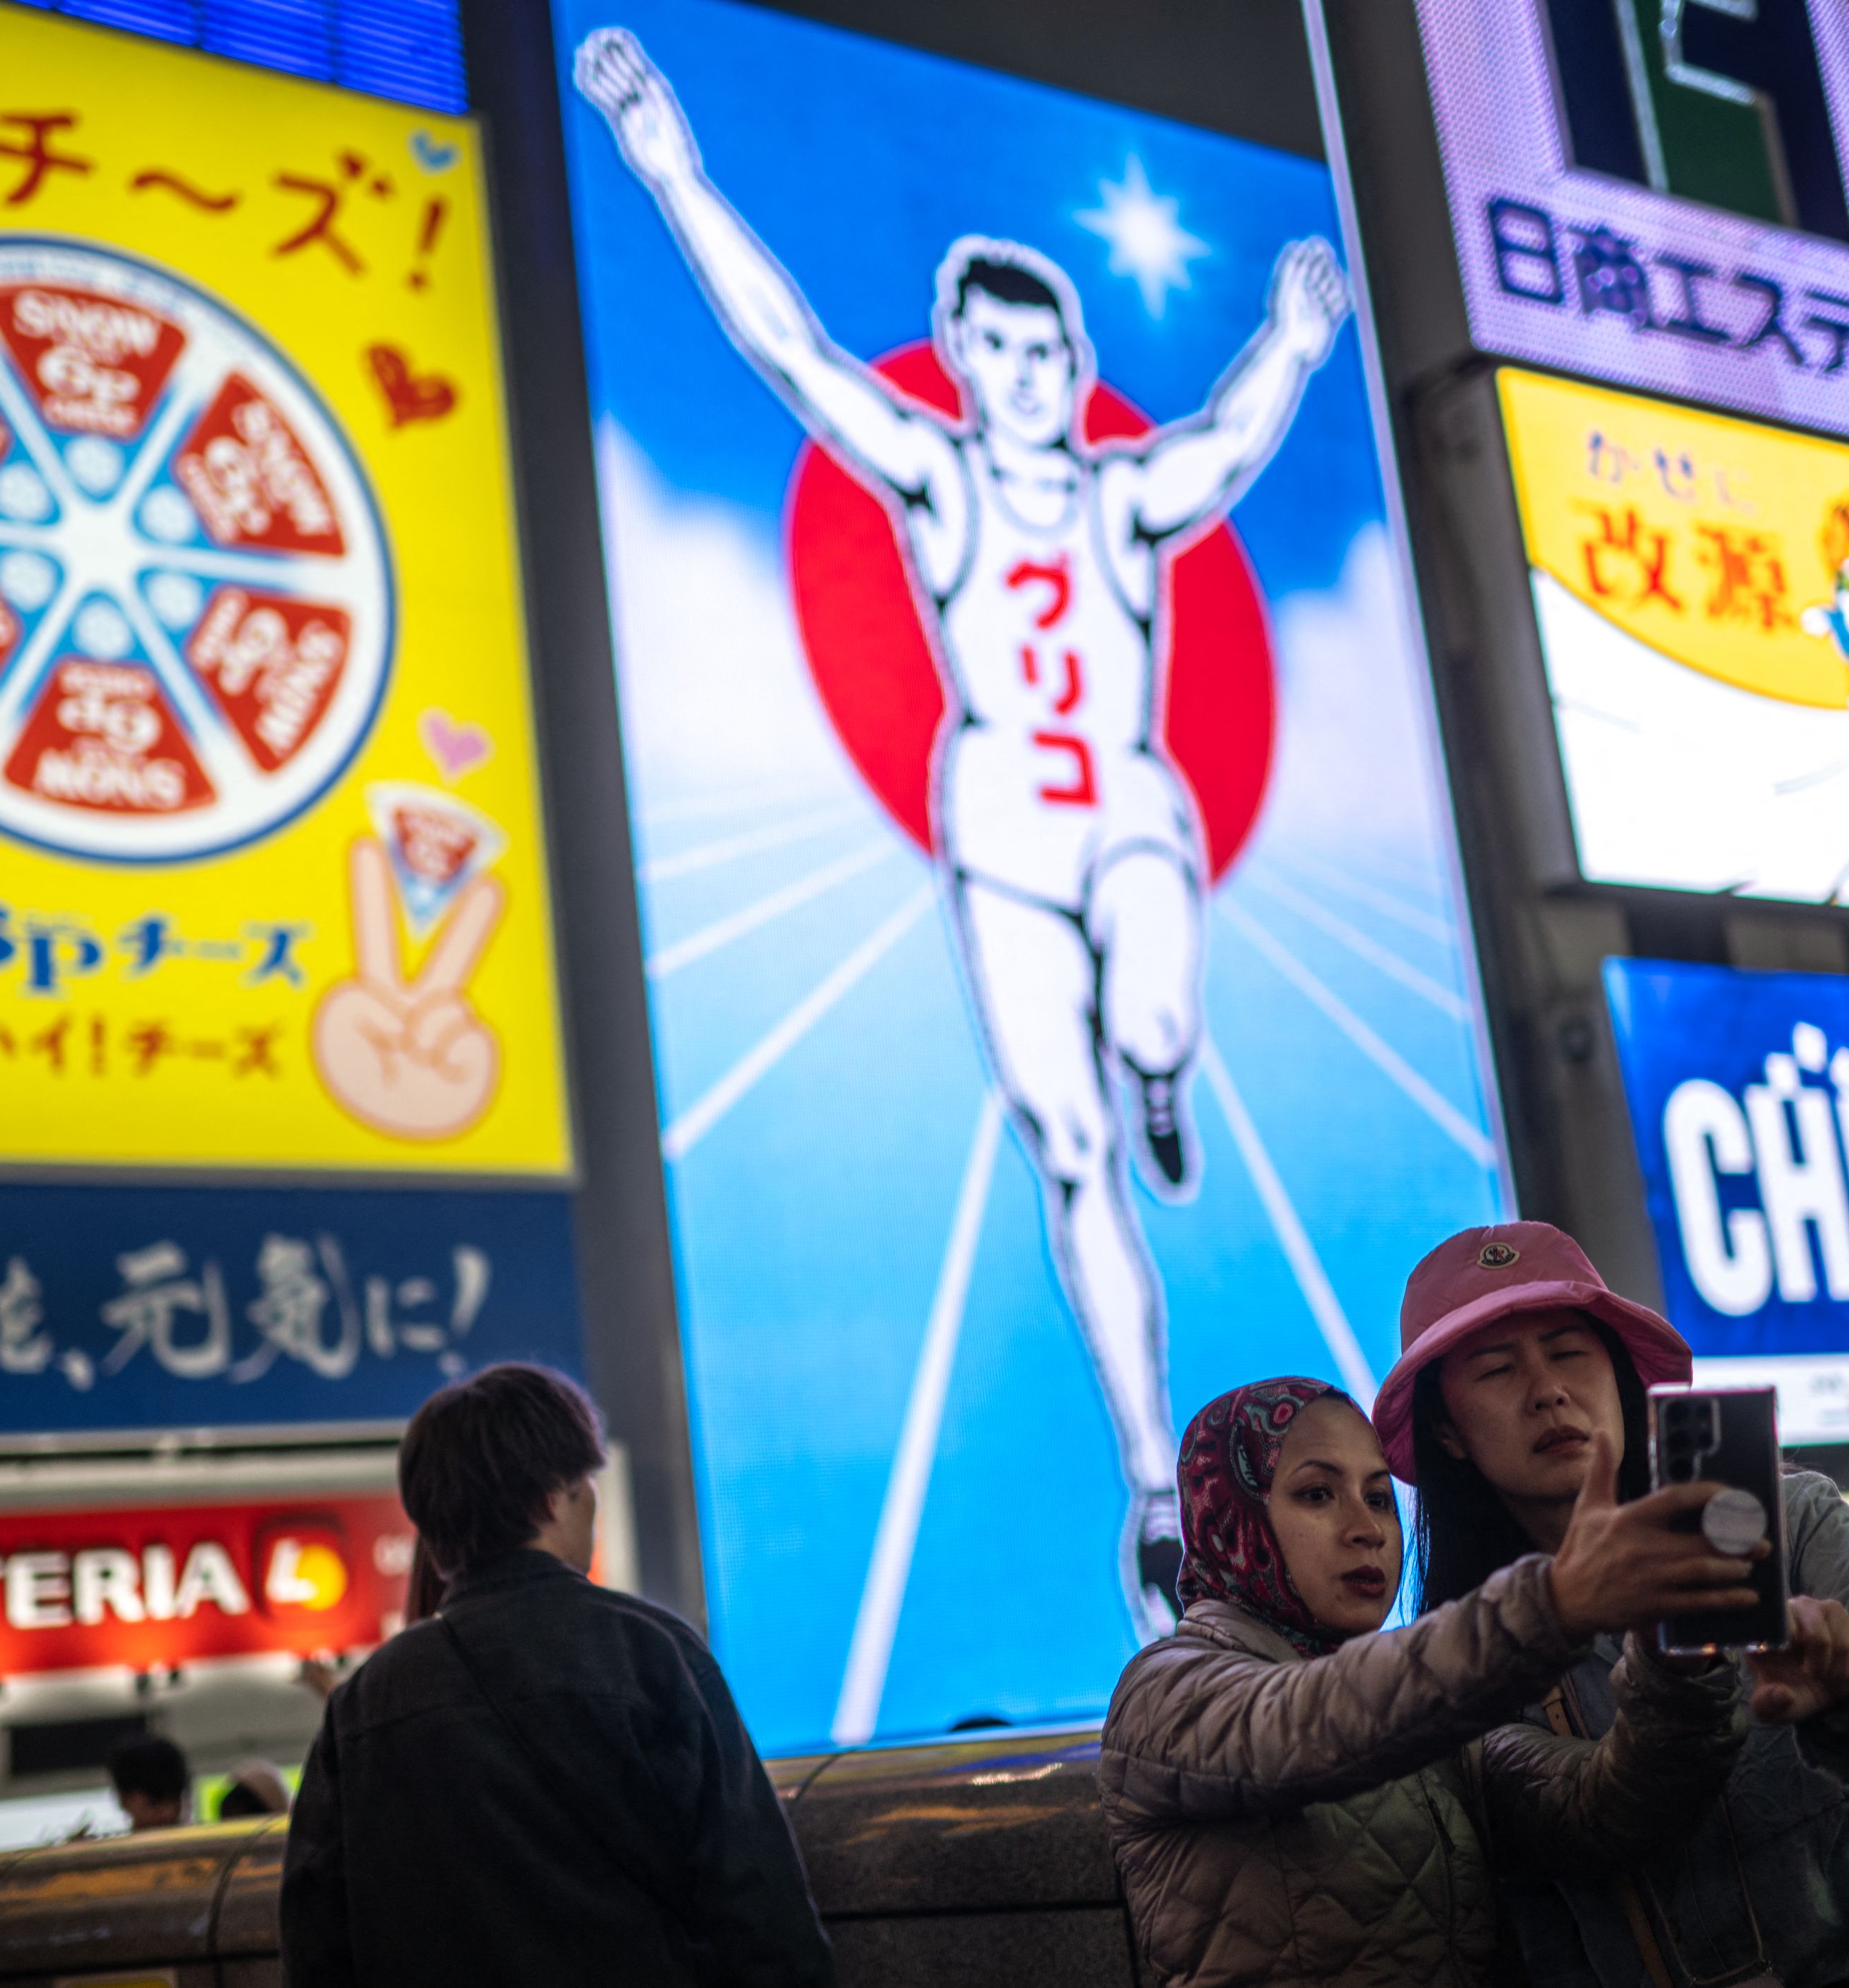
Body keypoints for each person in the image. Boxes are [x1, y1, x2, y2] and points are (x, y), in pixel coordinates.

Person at [579, 27, 1352, 1639]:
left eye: (1049, 356)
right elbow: (791, 354)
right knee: (1070, 1162)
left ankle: (1159, 1063)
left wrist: (1291, 337)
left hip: (1128, 802)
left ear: (1073, 368)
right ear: (963, 359)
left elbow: (1236, 437)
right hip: (1002, 816)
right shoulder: (936, 482)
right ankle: (1153, 1471)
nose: (1028, 380)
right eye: (998, 355)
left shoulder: (1125, 494)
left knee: (1147, 1009)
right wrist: (668, 167)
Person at [1370, 1222, 1849, 1988]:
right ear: (1446, 1430)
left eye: (1567, 1350)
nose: (1546, 1387)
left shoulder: (1778, 1514)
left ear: (1619, 1376)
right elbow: (1591, 1818)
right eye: (1495, 1368)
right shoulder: (1468, 1657)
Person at [1101, 1376, 1763, 1985]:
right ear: (1228, 1517)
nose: (1367, 1531)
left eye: (1380, 1498)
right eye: (1316, 1493)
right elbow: (1314, 1722)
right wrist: (1552, 1603)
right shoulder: (1162, 1692)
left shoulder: (1424, 1712)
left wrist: (1681, 1664)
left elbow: (1606, 1810)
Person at [282, 1363, 831, 1985]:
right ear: (551, 1500)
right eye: (583, 1486)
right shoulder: (652, 1655)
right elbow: (761, 1911)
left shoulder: (363, 1707)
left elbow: (317, 1947)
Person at [108, 1736, 193, 1832]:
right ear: (125, 1799)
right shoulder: (106, 1847)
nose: (169, 1812)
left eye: (175, 1799)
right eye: (155, 1802)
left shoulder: (202, 1844)